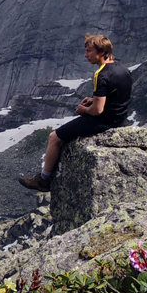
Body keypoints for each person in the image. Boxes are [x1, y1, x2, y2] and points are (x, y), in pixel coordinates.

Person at [20, 34, 132, 191]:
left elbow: (98, 110)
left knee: (55, 137)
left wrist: (84, 109)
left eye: (89, 51)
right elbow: (117, 95)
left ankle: (43, 180)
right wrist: (94, 99)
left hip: (104, 121)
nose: (86, 55)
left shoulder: (101, 75)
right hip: (120, 118)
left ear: (101, 51)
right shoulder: (122, 69)